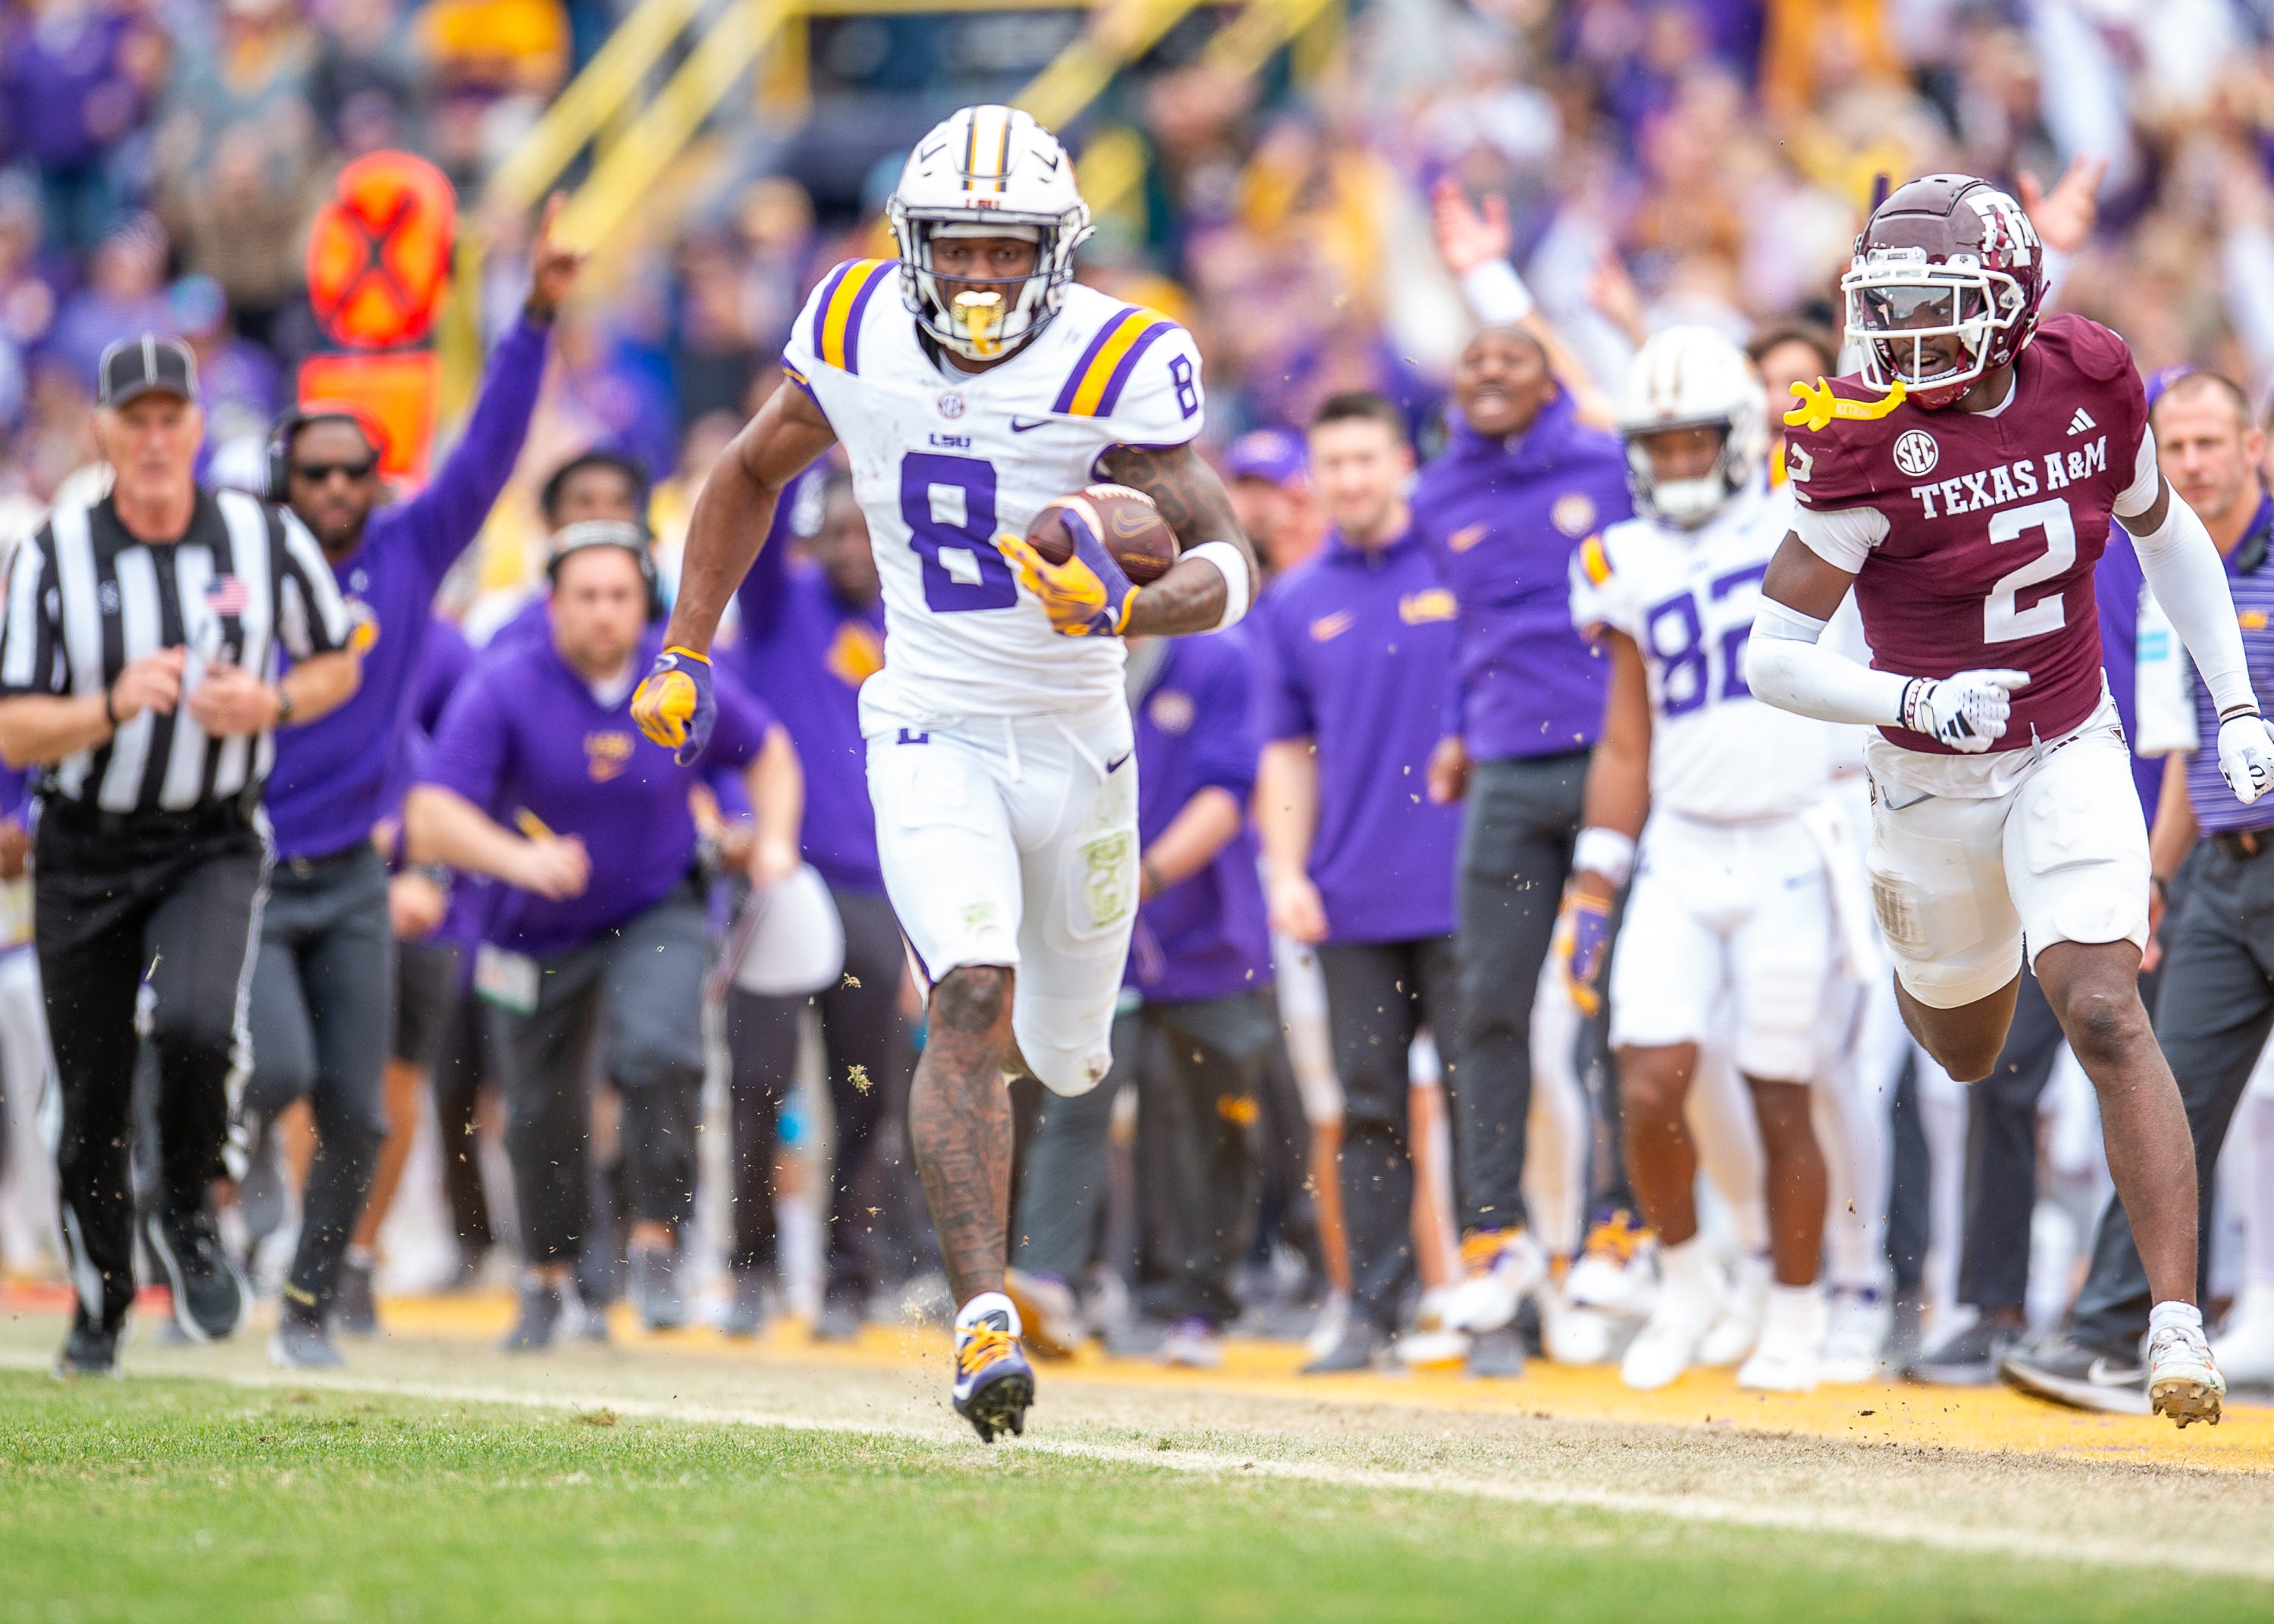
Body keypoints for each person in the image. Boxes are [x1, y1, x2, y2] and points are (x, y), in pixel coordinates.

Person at [629, 105, 1257, 1442]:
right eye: (955, 250)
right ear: (913, 245)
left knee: (1072, 1059)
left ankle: (1024, 1195)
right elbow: (745, 476)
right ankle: (984, 1321)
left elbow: (1229, 560)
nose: (977, 276)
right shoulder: (852, 328)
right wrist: (684, 644)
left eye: (1004, 251)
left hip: (1082, 738)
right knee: (967, 988)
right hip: (929, 723)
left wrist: (1124, 608)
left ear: (1057, 252)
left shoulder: (1123, 357)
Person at [1745, 174, 2274, 1428]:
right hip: (1927, 773)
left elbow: (2167, 532)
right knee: (1965, 1046)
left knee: (2101, 1004)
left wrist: (2235, 704)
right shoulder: (1854, 428)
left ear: (2011, 303)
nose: (1907, 339)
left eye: (1937, 309)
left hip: (2064, 737)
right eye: (1892, 310)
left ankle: (2172, 1324)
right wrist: (1916, 701)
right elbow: (1771, 653)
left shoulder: (2089, 373)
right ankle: (1940, 974)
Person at [245, 196, 578, 1366]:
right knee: (273, 1068)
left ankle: (317, 1285)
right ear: (283, 482)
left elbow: (488, 455)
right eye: (317, 472)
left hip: (354, 870)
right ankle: (238, 1213)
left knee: (362, 1099)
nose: (340, 487)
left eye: (356, 470)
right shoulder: (238, 562)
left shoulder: (405, 553)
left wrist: (533, 314)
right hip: (238, 862)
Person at [0, 335, 357, 1375]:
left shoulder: (260, 534)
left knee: (201, 1020)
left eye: (171, 419)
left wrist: (274, 700)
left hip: (210, 834)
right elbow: (14, 725)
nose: (154, 439)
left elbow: (337, 658)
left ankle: (194, 1206)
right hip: (83, 843)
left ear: (198, 429)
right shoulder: (57, 550)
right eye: (134, 419)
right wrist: (110, 706)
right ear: (102, 429)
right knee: (91, 1088)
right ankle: (102, 1296)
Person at [409, 523, 800, 1346]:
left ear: (645, 605)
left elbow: (770, 753)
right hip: (532, 927)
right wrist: (518, 858)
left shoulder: (683, 680)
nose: (604, 613)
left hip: (655, 904)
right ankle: (549, 1277)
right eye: (586, 596)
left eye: (620, 595)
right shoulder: (505, 686)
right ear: (552, 604)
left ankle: (659, 1238)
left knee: (660, 1049)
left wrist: (773, 842)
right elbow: (433, 814)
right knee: (540, 1114)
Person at [1564, 327, 1846, 1393]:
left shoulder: (1804, 515)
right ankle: (1688, 1280)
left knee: (1783, 1083)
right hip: (1682, 841)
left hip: (1788, 834)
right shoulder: (1620, 559)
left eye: (1694, 441)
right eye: (1659, 444)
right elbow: (1628, 733)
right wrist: (1596, 877)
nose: (1677, 462)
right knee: (1646, 1075)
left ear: (1737, 436)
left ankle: (1799, 1305)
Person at [2000, 369, 2274, 1413]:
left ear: (2254, 447)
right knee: (2164, 1079)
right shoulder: (2173, 573)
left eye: (2213, 442)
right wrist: (2157, 879)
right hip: (2220, 869)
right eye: (2180, 446)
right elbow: (2177, 755)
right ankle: (2116, 1328)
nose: (2194, 463)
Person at [1419, 195, 1636, 1350]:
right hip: (1504, 773)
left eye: (1516, 357)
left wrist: (1494, 283)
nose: (1494, 370)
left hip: (1608, 771)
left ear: (1548, 374)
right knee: (1489, 1006)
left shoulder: (1602, 459)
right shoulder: (1438, 492)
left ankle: (1617, 1223)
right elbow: (1462, 631)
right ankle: (1494, 1231)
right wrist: (1458, 725)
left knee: (1611, 1010)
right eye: (1474, 361)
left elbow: (1618, 402)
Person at [1255, 392, 1470, 1375]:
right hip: (1352, 897)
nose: (1349, 478)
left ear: (1401, 459)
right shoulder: (1294, 600)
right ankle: (1371, 1307)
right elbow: (1285, 753)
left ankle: (1491, 1304)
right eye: (1331, 462)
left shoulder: (1463, 563)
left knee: (1485, 1101)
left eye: (1365, 457)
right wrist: (1288, 870)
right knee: (1368, 1106)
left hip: (1471, 885)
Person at [1007, 625, 1273, 1369]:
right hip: (1093, 936)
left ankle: (1201, 1304)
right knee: (1074, 1096)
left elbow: (1227, 796)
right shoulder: (1053, 661)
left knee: (1216, 1113)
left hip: (1207, 936)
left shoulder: (1219, 659)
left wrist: (1139, 880)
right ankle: (1046, 1282)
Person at [719, 470, 910, 1341]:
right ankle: (751, 1267)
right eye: (834, 531)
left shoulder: (915, 624)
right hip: (783, 881)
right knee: (758, 1083)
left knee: (865, 1089)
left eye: (866, 532)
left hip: (876, 892)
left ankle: (847, 1276)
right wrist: (816, 406)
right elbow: (755, 489)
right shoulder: (776, 605)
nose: (849, 549)